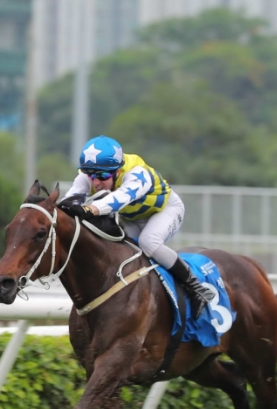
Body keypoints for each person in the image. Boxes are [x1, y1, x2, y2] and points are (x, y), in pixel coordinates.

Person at [59, 135, 213, 317]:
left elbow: (119, 199)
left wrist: (90, 209)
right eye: (90, 175)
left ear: (118, 171)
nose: (96, 182)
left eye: (102, 176)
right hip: (132, 218)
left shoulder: (137, 174)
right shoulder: (89, 176)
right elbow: (69, 201)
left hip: (164, 210)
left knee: (149, 242)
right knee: (114, 250)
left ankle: (196, 288)